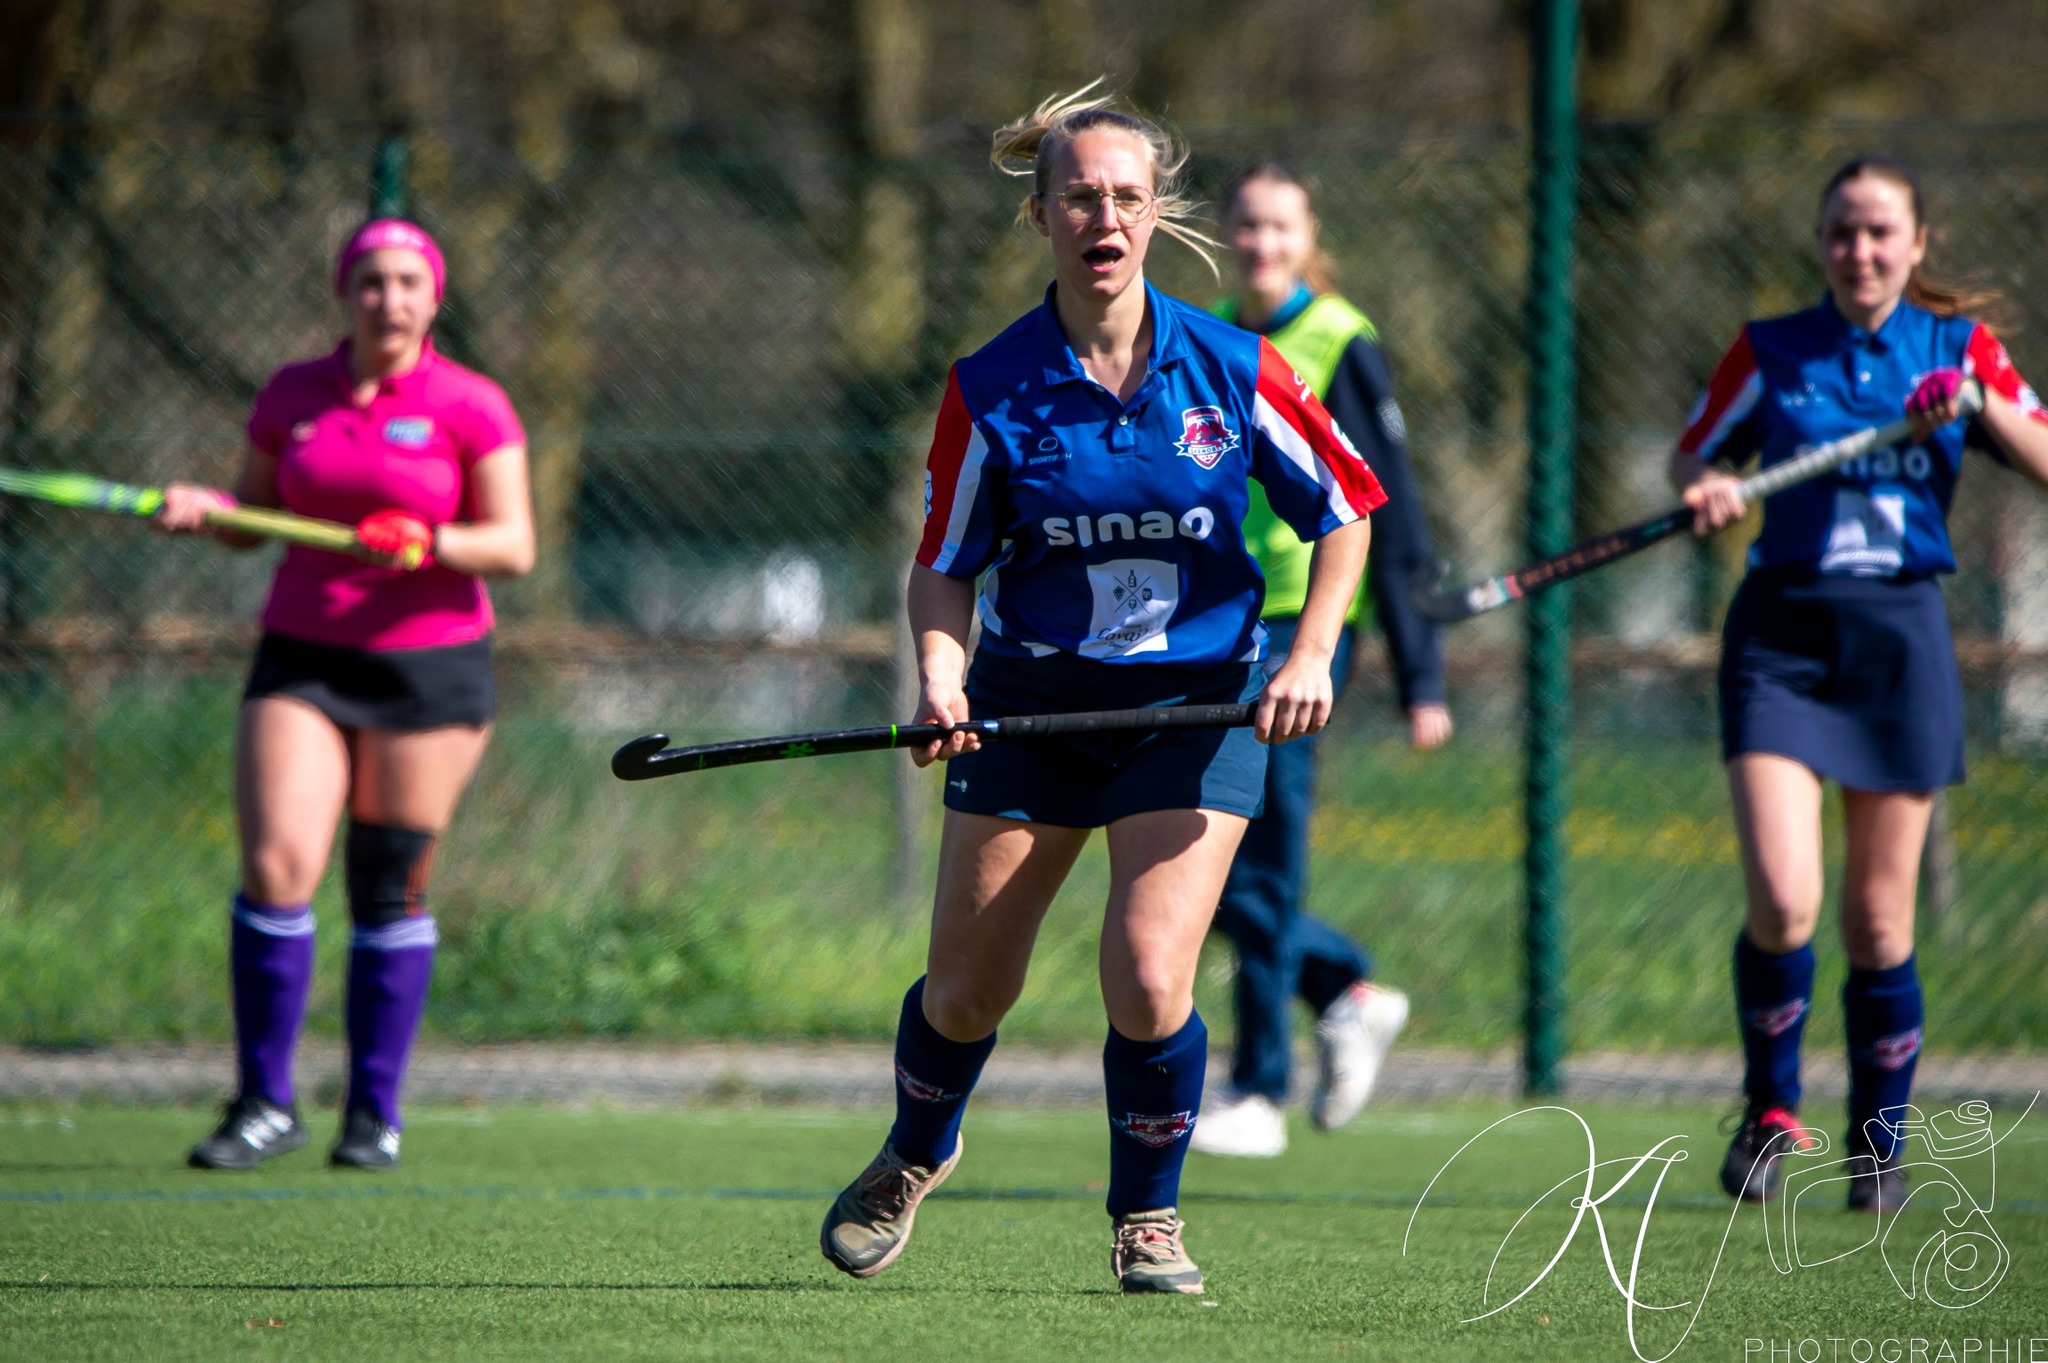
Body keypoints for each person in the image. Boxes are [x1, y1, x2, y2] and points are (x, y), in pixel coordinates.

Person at [817, 84, 1384, 1295]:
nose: (1105, 218)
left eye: (1127, 196)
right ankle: (915, 1150)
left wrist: (1309, 655)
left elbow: (1343, 512)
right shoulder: (990, 386)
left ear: (1157, 211)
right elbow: (942, 565)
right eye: (1079, 197)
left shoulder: (1234, 367)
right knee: (965, 991)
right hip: (1030, 709)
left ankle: (1147, 1216)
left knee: (1146, 972)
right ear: (1040, 215)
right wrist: (940, 675)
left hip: (1193, 713)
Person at [1673, 156, 2048, 1212]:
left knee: (1880, 926)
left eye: (1881, 231)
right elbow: (1693, 455)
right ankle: (1768, 1109)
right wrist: (1707, 487)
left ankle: (1877, 1145)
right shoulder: (1770, 349)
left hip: (1899, 641)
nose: (1860, 250)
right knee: (1784, 900)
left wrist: (1975, 402)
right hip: (1781, 640)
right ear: (1821, 242)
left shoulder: (1957, 349)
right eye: (1841, 230)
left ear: (1917, 243)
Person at [157, 218, 535, 1171]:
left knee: (387, 882)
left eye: (409, 281)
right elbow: (252, 518)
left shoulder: (472, 404)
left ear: (435, 297)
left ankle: (372, 1113)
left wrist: (429, 541)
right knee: (277, 865)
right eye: (372, 280)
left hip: (430, 668)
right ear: (345, 291)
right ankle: (263, 1104)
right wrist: (208, 512)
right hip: (304, 659)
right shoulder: (294, 393)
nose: (389, 298)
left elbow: (514, 544)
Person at [1191, 162, 1453, 1159]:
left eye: (1279, 226)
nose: (1261, 243)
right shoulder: (1208, 336)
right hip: (1211, 624)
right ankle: (1343, 985)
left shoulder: (1341, 340)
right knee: (1191, 857)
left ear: (1308, 239)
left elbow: (1389, 505)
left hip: (1300, 632)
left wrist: (1420, 674)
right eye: (1246, 224)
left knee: (1256, 857)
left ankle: (1258, 1088)